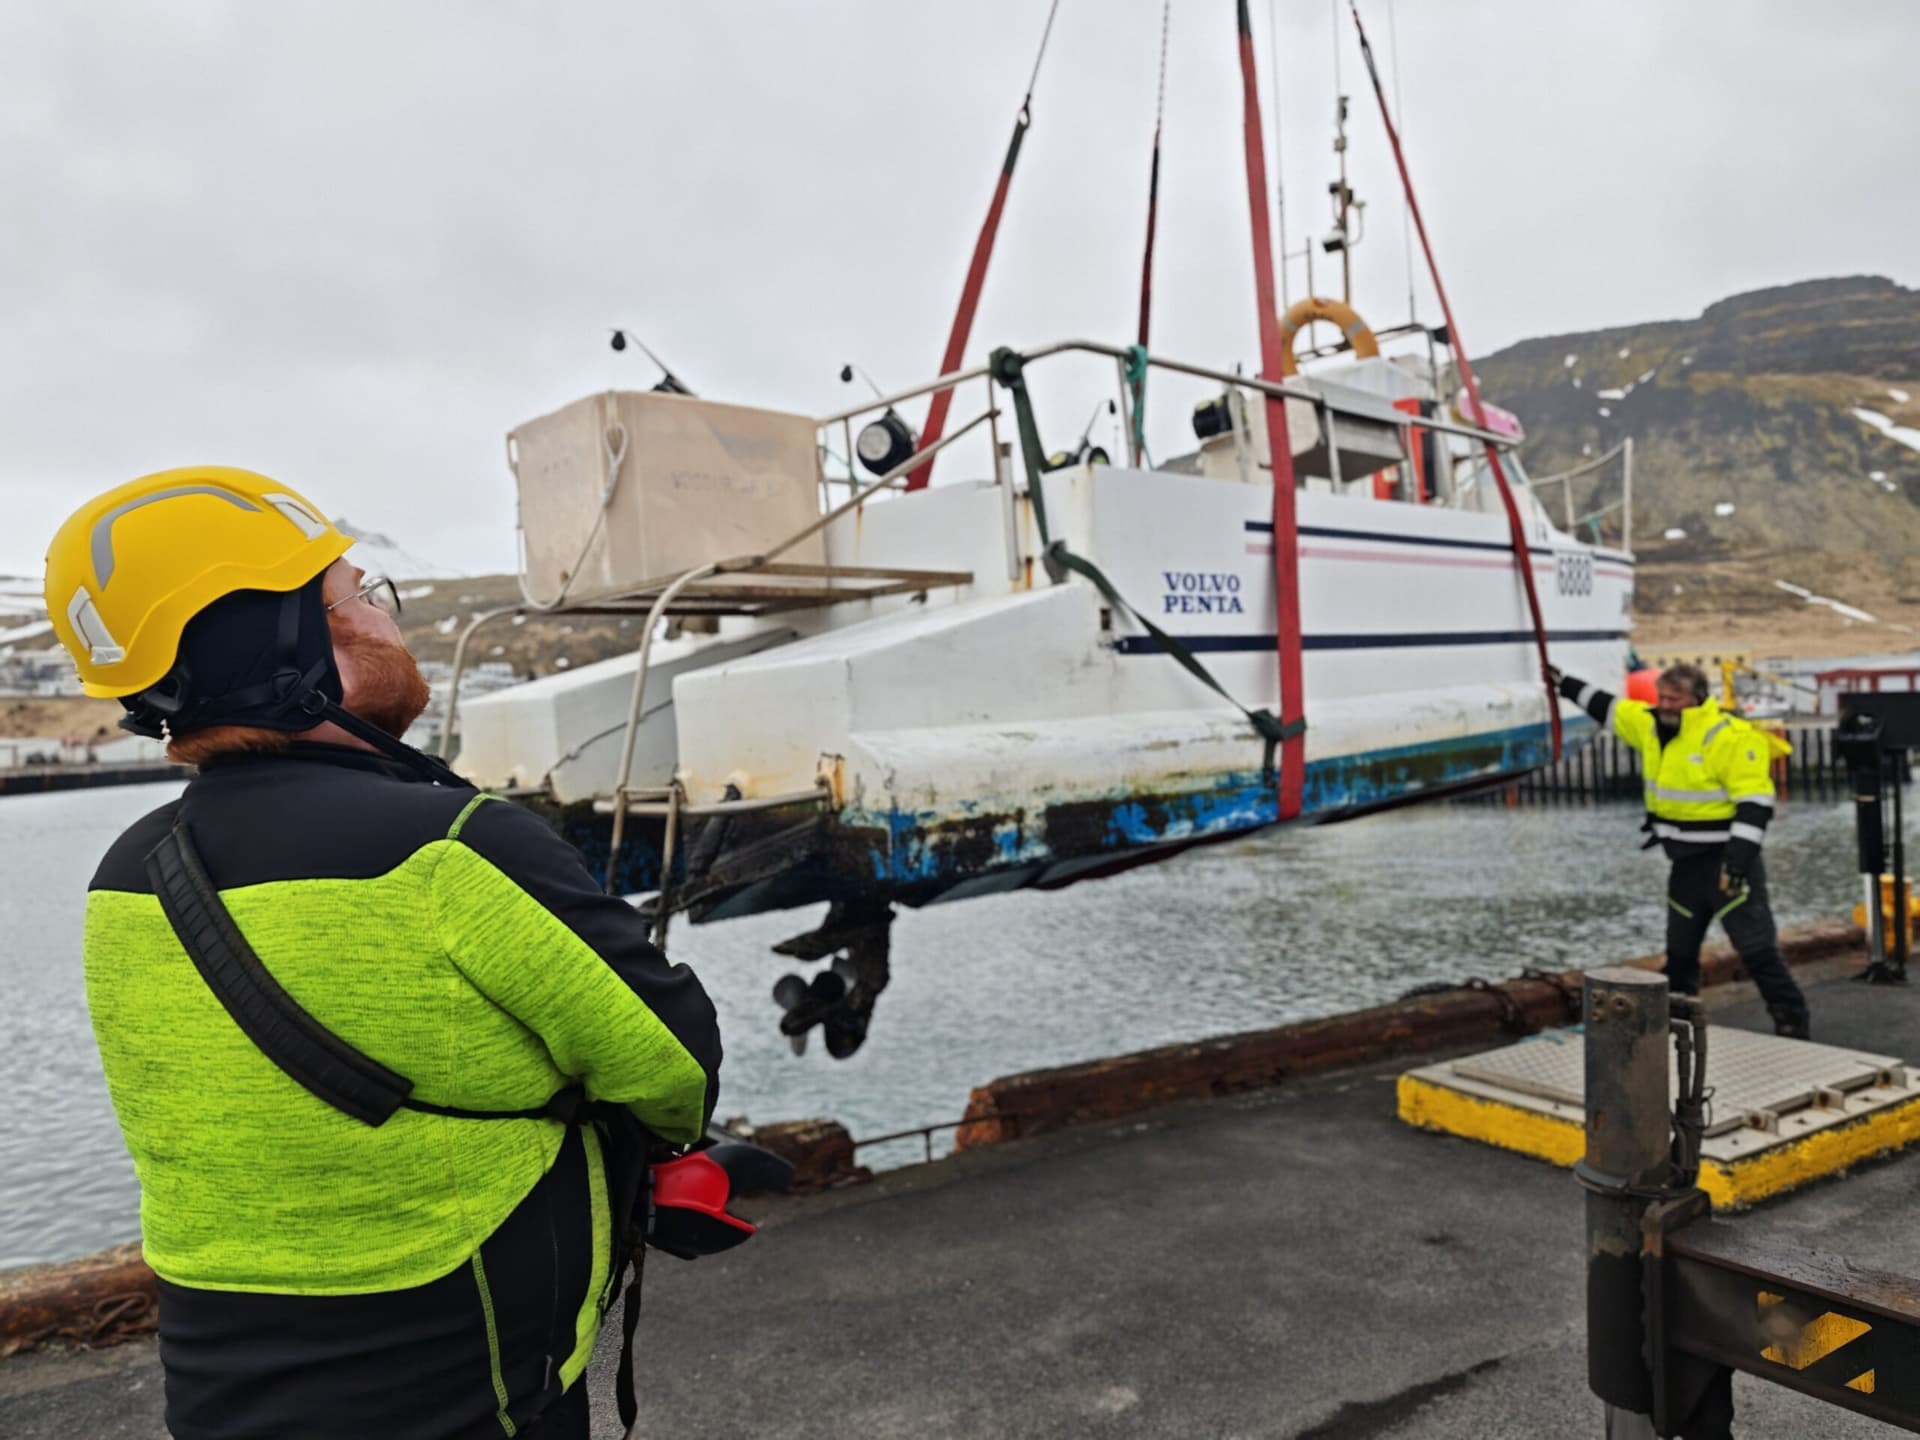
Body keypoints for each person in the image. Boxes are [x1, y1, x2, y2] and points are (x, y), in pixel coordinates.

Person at [46, 466, 722, 1439]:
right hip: (468, 1388)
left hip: (223, 1398)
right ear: (287, 639)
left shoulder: (128, 874)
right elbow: (676, 1067)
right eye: (357, 593)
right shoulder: (459, 849)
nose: (384, 616)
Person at [1549, 659, 1810, 1037]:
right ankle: (1676, 1028)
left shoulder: (1727, 737)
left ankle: (1792, 1022)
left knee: (1758, 951)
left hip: (1726, 866)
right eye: (1662, 698)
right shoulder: (1649, 724)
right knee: (1680, 954)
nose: (1666, 705)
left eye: (1675, 700)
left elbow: (1755, 803)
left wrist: (1737, 864)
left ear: (1698, 698)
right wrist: (1564, 682)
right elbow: (1607, 707)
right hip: (1685, 865)